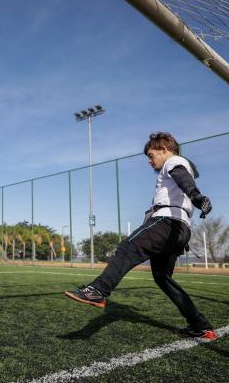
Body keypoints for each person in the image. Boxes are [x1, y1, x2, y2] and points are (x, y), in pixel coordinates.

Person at [63, 132, 217, 340]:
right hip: (180, 230)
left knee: (128, 247)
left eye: (151, 155)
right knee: (162, 277)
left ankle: (98, 290)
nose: (149, 160)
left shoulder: (174, 161)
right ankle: (200, 325)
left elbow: (184, 178)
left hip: (166, 222)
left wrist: (197, 196)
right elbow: (187, 178)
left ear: (164, 150)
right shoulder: (178, 165)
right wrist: (195, 197)